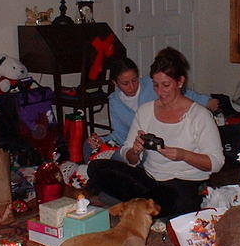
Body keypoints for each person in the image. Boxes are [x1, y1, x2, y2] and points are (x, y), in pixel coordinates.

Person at [86, 47, 225, 219]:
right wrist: (134, 151)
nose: (160, 92)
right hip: (150, 180)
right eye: (156, 85)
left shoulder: (199, 115)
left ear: (180, 82)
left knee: (175, 199)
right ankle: (144, 207)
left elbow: (216, 162)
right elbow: (128, 155)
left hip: (184, 183)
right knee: (96, 168)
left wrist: (183, 155)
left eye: (166, 85)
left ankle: (133, 205)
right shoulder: (145, 111)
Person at [85, 56, 218, 160]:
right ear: (115, 83)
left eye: (134, 80)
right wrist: (101, 140)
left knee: (117, 160)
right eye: (125, 83)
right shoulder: (114, 101)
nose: (132, 86)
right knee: (88, 147)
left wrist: (207, 101)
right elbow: (120, 134)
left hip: (157, 143)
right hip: (135, 145)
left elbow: (183, 93)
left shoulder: (152, 84)